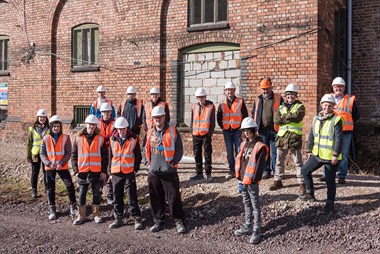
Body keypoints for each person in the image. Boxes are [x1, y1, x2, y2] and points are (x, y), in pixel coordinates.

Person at [146, 106, 186, 234]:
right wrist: (147, 163)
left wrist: (173, 162)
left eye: (160, 117)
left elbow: (179, 149)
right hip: (154, 171)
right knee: (155, 198)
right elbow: (145, 148)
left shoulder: (173, 131)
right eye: (155, 117)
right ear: (153, 119)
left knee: (174, 198)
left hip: (169, 171)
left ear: (164, 117)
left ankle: (178, 221)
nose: (158, 119)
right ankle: (159, 221)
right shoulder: (150, 132)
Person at [300, 94, 343, 213]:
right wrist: (309, 150)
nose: (327, 107)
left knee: (330, 180)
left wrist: (335, 154)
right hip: (318, 154)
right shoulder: (316, 119)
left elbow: (339, 139)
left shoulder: (337, 120)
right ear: (321, 105)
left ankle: (330, 204)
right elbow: (311, 135)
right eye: (325, 105)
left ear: (333, 106)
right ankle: (310, 194)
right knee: (305, 171)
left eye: (330, 105)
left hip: (330, 156)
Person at [234, 117, 268, 245]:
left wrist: (254, 180)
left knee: (255, 205)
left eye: (248, 130)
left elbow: (259, 167)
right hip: (243, 179)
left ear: (254, 130)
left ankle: (256, 229)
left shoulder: (260, 146)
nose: (246, 133)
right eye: (244, 131)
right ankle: (248, 225)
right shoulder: (243, 144)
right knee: (246, 203)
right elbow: (240, 161)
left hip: (252, 182)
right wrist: (239, 178)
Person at [320, 77, 360, 184]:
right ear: (333, 87)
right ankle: (326, 174)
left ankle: (342, 176)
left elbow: (356, 115)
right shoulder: (328, 98)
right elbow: (323, 113)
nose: (338, 88)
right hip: (331, 131)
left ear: (344, 88)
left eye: (341, 86)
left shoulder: (350, 99)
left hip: (345, 132)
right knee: (328, 153)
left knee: (343, 155)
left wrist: (346, 123)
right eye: (336, 86)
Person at [71, 115, 108, 225]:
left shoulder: (100, 139)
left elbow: (105, 157)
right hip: (82, 171)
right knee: (82, 194)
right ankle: (81, 216)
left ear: (96, 125)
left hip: (96, 171)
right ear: (86, 124)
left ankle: (96, 215)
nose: (91, 126)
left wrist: (104, 171)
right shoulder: (78, 139)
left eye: (93, 124)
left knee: (96, 194)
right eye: (89, 124)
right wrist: (76, 170)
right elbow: (73, 156)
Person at [108, 117, 143, 230]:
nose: (120, 131)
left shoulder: (133, 139)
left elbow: (138, 156)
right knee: (117, 196)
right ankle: (118, 218)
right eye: (119, 129)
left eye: (122, 129)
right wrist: (109, 171)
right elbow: (110, 157)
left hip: (128, 172)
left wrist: (135, 169)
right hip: (116, 173)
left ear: (126, 128)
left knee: (131, 196)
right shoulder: (113, 139)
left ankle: (137, 218)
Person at [270, 84, 306, 194]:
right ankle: (277, 180)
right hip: (282, 138)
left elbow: (298, 117)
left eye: (292, 94)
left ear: (296, 95)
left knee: (298, 162)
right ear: (286, 95)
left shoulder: (300, 106)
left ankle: (301, 183)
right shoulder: (281, 107)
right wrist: (290, 117)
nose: (290, 96)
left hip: (294, 138)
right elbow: (276, 120)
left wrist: (284, 118)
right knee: (279, 161)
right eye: (288, 94)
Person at [40, 115, 77, 220]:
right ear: (51, 127)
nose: (56, 128)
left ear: (60, 126)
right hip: (50, 168)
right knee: (50, 189)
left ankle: (73, 207)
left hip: (62, 167)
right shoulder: (45, 138)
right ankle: (52, 209)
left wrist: (61, 163)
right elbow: (42, 153)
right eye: (54, 126)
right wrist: (48, 163)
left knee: (69, 186)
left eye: (58, 126)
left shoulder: (66, 138)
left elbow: (68, 153)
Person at [252, 77, 283, 179]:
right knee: (264, 152)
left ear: (271, 87)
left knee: (274, 153)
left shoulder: (278, 98)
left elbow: (283, 112)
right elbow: (254, 114)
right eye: (263, 89)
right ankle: (266, 171)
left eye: (267, 88)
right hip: (263, 130)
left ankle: (275, 171)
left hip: (275, 129)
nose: (265, 91)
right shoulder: (258, 100)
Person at [217, 81, 248, 179]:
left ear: (234, 90)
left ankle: (239, 170)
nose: (229, 92)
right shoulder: (222, 103)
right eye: (227, 90)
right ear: (225, 91)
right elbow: (218, 117)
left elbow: (245, 115)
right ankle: (232, 171)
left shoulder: (240, 101)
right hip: (227, 131)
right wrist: (223, 127)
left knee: (239, 151)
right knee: (229, 152)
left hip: (237, 130)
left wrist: (242, 128)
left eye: (231, 90)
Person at [189, 88, 215, 182]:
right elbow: (192, 119)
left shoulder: (211, 106)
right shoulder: (194, 106)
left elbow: (212, 121)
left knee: (207, 154)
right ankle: (199, 173)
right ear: (196, 97)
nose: (200, 98)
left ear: (205, 97)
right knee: (197, 154)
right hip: (196, 134)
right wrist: (191, 130)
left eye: (202, 97)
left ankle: (208, 173)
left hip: (206, 135)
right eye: (199, 97)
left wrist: (210, 133)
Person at [142, 86, 170, 164]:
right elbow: (143, 117)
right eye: (152, 94)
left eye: (156, 94)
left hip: (160, 130)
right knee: (146, 146)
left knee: (160, 146)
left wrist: (163, 128)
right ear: (151, 95)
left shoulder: (164, 105)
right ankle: (147, 161)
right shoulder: (147, 105)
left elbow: (167, 118)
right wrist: (145, 127)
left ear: (158, 95)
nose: (154, 96)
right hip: (149, 130)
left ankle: (161, 161)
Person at [27, 109, 49, 198]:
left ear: (46, 118)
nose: (42, 119)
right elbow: (29, 143)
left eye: (44, 117)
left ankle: (47, 189)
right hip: (35, 154)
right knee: (34, 173)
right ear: (38, 117)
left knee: (46, 172)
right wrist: (28, 155)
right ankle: (34, 190)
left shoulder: (49, 128)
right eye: (40, 117)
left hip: (46, 154)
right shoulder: (32, 129)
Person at [98, 102, 116, 205]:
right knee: (100, 172)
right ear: (101, 113)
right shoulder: (97, 123)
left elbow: (113, 136)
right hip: (99, 150)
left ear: (110, 112)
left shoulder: (114, 123)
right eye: (104, 112)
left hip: (110, 151)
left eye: (108, 112)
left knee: (109, 172)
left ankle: (109, 195)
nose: (106, 114)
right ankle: (99, 194)